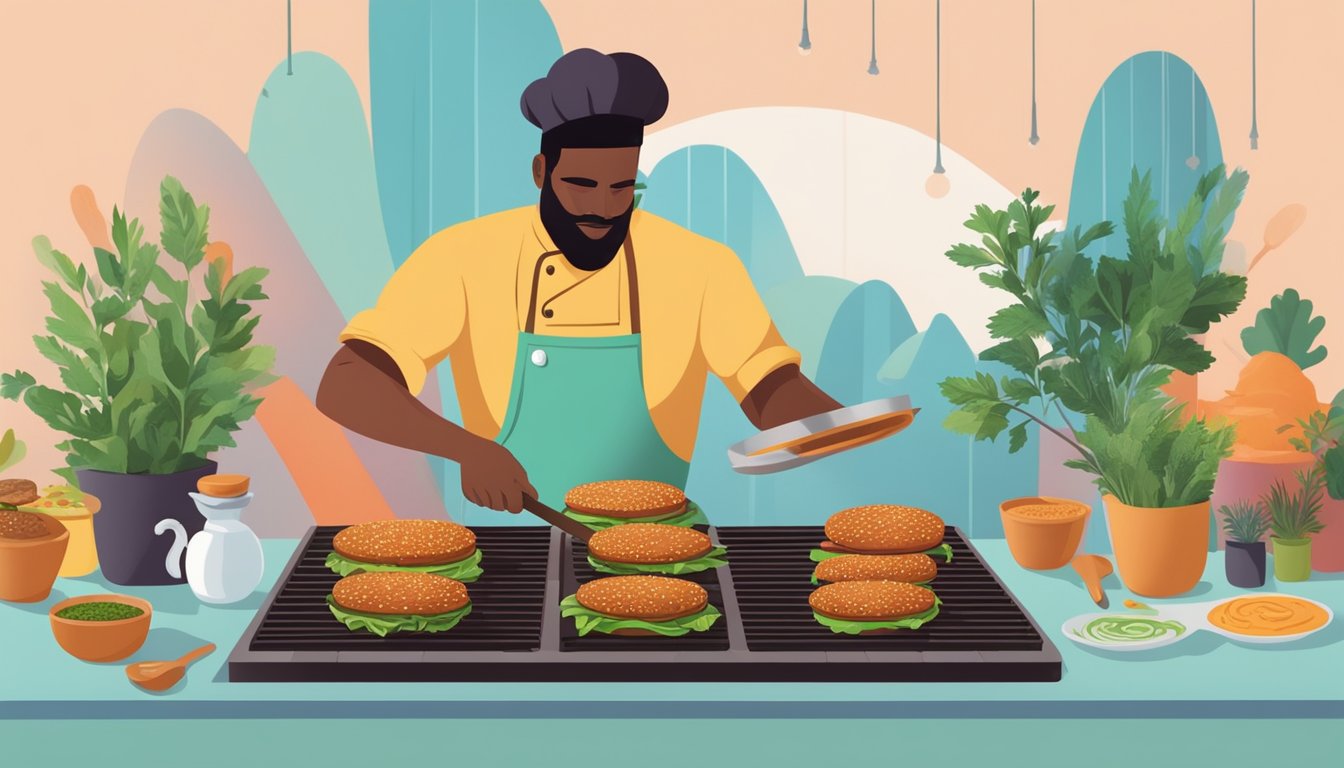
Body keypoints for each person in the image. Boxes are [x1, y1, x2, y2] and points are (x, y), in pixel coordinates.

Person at [317, 48, 841, 515]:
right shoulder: (461, 257)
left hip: (657, 549)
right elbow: (347, 382)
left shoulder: (701, 265)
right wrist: (467, 449)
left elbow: (769, 390)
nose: (603, 208)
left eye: (622, 187)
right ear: (542, 171)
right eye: (581, 184)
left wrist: (852, 424)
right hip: (508, 543)